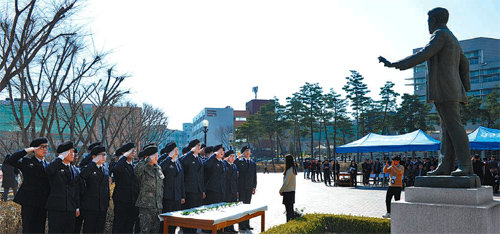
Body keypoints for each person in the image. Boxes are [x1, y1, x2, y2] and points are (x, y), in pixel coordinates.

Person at [379, 7, 472, 176]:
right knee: (447, 128)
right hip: (452, 89)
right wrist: (464, 87)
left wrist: (395, 64)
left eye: (429, 21)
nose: (428, 24)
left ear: (435, 20)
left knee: (454, 126)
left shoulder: (440, 35)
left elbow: (424, 54)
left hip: (446, 89)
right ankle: (445, 165)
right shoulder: (452, 38)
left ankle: (466, 166)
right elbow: (464, 63)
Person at [4, 138, 50, 233]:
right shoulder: (27, 161)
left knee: (40, 229)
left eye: (46, 147)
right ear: (34, 148)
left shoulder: (48, 165)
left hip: (42, 203)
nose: (45, 149)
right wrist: (26, 150)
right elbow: (10, 160)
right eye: (42, 147)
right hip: (29, 202)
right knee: (28, 229)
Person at [45, 141, 81, 233]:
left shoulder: (75, 170)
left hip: (70, 208)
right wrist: (60, 157)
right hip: (56, 208)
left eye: (73, 152)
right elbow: (48, 170)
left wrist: (77, 207)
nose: (73, 154)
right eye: (70, 152)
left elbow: (76, 190)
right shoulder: (55, 166)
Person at [79, 145, 110, 233]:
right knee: (89, 229)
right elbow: (83, 175)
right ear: (94, 156)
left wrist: (106, 202)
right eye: (101, 155)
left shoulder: (105, 169)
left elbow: (106, 187)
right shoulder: (89, 168)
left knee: (99, 230)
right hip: (90, 206)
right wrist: (93, 162)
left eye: (105, 155)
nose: (104, 157)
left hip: (102, 206)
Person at [111, 142, 140, 233]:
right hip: (121, 200)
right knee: (119, 225)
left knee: (129, 226)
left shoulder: (134, 165)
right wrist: (124, 157)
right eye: (130, 151)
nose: (133, 152)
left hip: (133, 200)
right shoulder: (118, 164)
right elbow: (117, 170)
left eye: (134, 151)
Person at [135, 144, 164, 233]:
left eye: (157, 155)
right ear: (148, 157)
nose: (157, 157)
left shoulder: (158, 168)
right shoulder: (143, 167)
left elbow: (161, 186)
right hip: (146, 206)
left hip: (158, 206)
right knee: (145, 231)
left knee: (155, 231)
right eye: (154, 156)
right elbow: (136, 171)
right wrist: (147, 161)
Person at [179, 139, 205, 233]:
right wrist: (190, 152)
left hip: (198, 190)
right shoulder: (187, 158)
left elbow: (201, 176)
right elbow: (182, 162)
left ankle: (193, 231)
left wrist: (202, 190)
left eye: (199, 145)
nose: (199, 147)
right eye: (197, 145)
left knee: (196, 212)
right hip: (189, 190)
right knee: (189, 213)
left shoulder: (199, 158)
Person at [75, 141, 101, 233]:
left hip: (93, 201)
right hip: (83, 198)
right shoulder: (86, 161)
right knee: (78, 225)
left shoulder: (102, 164)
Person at [159, 142, 185, 234]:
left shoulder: (178, 162)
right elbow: (161, 168)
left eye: (177, 150)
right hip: (168, 196)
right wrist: (169, 157)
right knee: (167, 220)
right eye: (175, 150)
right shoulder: (165, 161)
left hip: (177, 196)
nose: (177, 152)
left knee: (175, 220)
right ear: (170, 152)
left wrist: (182, 196)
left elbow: (181, 180)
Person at [235, 145, 257, 231]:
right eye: (246, 151)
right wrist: (238, 157)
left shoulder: (253, 163)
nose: (248, 152)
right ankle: (241, 225)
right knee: (242, 206)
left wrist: (254, 186)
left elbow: (254, 176)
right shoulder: (240, 162)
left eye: (249, 151)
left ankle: (247, 224)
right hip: (242, 187)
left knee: (248, 206)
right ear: (243, 153)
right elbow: (234, 164)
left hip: (249, 187)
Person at [222, 150, 238, 233]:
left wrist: (237, 191)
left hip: (233, 191)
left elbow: (236, 179)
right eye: (231, 156)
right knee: (226, 209)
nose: (233, 158)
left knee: (233, 210)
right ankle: (225, 227)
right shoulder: (224, 165)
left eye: (234, 156)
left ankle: (231, 227)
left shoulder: (234, 166)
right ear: (227, 157)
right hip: (227, 191)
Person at [279, 154, 297, 222]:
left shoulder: (289, 170)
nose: (284, 161)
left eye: (285, 160)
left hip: (288, 192)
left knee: (288, 211)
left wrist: (280, 190)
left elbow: (286, 183)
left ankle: (288, 223)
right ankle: (291, 223)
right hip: (291, 191)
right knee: (290, 210)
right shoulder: (293, 169)